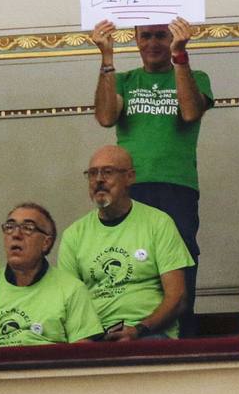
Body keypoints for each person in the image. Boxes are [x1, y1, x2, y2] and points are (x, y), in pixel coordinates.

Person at [91, 17, 212, 337]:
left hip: (177, 187)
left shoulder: (196, 76)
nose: (154, 43)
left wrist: (181, 55)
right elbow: (105, 117)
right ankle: (130, 327)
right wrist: (107, 58)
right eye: (146, 36)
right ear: (136, 39)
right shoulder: (125, 80)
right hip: (129, 188)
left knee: (180, 263)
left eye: (161, 36)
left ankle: (182, 337)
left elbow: (189, 111)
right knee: (130, 259)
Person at [58, 145, 193, 340]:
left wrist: (138, 330)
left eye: (108, 172)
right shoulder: (74, 234)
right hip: (96, 337)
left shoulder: (158, 222)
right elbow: (69, 304)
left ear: (130, 177)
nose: (98, 180)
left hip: (149, 333)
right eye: (92, 173)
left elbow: (178, 298)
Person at [0, 204, 102, 348]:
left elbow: (81, 357)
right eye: (10, 227)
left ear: (46, 242)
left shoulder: (72, 289)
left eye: (28, 228)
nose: (16, 235)